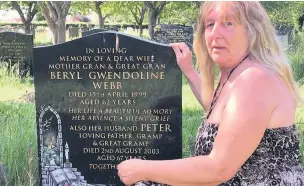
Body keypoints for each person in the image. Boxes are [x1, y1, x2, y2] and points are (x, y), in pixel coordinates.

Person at [117, 1, 304, 185]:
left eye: (228, 23)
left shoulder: (254, 79)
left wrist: (141, 169)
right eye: (210, 25)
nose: (215, 34)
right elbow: (222, 112)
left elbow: (219, 168)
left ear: (252, 31)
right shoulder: (237, 74)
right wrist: (189, 71)